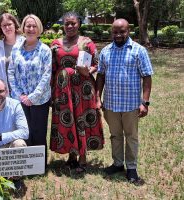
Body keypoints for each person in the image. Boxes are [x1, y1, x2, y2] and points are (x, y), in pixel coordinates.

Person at [96, 18, 153, 183]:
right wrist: (98, 98)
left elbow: (147, 77)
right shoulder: (106, 51)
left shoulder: (138, 50)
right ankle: (118, 163)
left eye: (122, 31)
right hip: (111, 104)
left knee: (131, 136)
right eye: (115, 31)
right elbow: (100, 75)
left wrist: (145, 102)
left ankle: (132, 167)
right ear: (111, 32)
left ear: (129, 31)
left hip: (131, 104)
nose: (119, 34)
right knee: (115, 135)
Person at [50, 12, 104, 173]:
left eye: (73, 23)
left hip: (83, 88)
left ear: (78, 24)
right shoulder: (56, 43)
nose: (70, 26)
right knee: (68, 120)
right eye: (67, 23)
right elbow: (52, 68)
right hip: (63, 89)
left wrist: (89, 70)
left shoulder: (87, 42)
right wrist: (52, 90)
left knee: (81, 119)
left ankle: (83, 158)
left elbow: (98, 63)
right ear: (63, 25)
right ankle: (72, 156)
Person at [8, 14, 51, 166]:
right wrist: (20, 95)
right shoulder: (16, 49)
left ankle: (39, 166)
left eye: (34, 26)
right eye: (28, 26)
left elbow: (46, 76)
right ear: (23, 28)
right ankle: (26, 165)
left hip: (40, 99)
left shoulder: (45, 50)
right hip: (20, 99)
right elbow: (11, 72)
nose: (31, 29)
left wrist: (32, 96)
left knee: (38, 132)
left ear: (39, 28)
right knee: (24, 132)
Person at [0, 13, 25, 91]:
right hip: (5, 91)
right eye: (4, 25)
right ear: (1, 28)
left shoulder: (24, 43)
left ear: (15, 25)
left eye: (9, 24)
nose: (7, 27)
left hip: (24, 91)